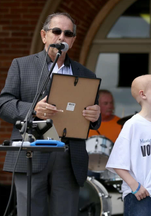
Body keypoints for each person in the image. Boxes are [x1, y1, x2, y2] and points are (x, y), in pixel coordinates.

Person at [0, 12, 101, 216]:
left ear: (72, 40)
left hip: (68, 154)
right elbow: (4, 104)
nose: (61, 37)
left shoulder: (86, 74)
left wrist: (95, 115)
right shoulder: (21, 65)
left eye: (67, 33)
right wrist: (33, 110)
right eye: (56, 31)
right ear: (44, 35)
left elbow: (93, 117)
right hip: (32, 151)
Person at [106, 74, 151, 216]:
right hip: (140, 196)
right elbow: (117, 162)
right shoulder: (133, 124)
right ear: (143, 94)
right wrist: (135, 187)